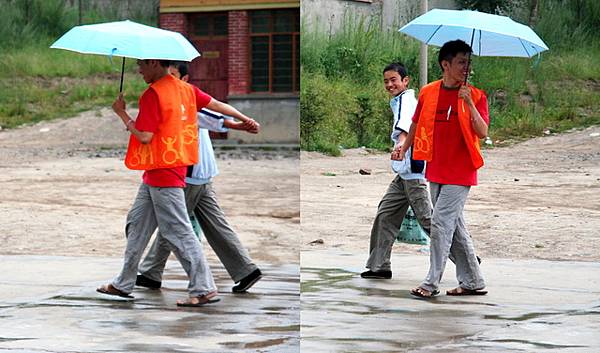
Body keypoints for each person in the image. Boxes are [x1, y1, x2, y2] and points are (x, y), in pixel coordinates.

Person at [96, 59, 219, 306]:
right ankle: (123, 283)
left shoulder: (153, 94)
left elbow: (144, 136)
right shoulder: (184, 89)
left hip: (164, 173)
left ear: (154, 63)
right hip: (159, 171)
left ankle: (203, 287)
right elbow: (217, 105)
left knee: (178, 230)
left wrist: (122, 113)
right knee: (137, 224)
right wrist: (243, 120)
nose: (139, 69)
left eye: (141, 64)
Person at [135, 62, 263, 293]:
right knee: (214, 225)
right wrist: (241, 123)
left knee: (174, 226)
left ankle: (152, 272)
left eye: (173, 75)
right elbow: (216, 116)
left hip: (188, 175)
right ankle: (246, 270)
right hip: (202, 174)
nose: (168, 80)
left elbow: (214, 114)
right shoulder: (180, 100)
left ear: (183, 79)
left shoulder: (183, 100)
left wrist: (240, 123)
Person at [397, 40, 489, 298]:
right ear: (445, 64)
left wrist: (469, 103)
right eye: (461, 62)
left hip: (461, 171)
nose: (466, 67)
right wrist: (404, 148)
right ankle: (473, 280)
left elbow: (483, 131)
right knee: (455, 227)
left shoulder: (476, 95)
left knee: (440, 224)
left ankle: (430, 283)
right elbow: (415, 122)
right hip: (435, 167)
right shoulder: (428, 92)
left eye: (468, 62)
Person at [360, 62, 432, 280]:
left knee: (428, 219)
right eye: (386, 81)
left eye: (394, 80)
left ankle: (467, 258)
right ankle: (379, 266)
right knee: (386, 214)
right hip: (404, 173)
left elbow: (407, 127)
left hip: (412, 171)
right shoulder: (400, 100)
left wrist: (401, 145)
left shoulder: (406, 100)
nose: (390, 84)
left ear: (405, 81)